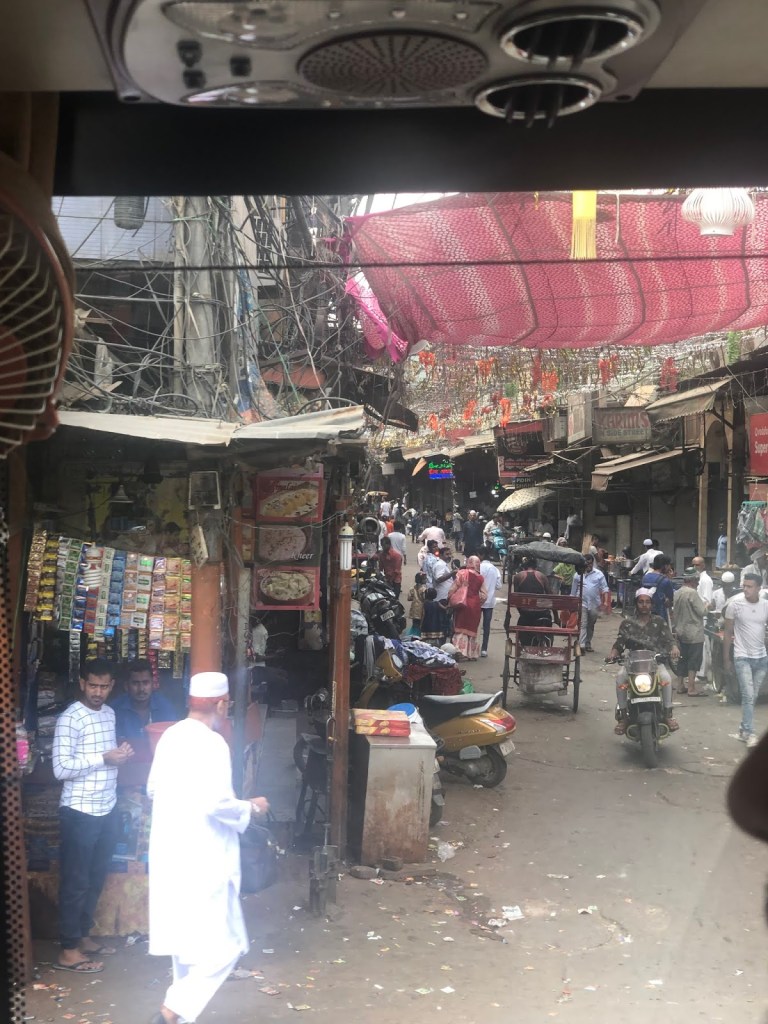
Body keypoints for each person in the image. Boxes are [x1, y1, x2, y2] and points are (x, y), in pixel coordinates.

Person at [147, 672, 270, 1024]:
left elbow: (153, 788)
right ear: (220, 704)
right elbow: (218, 804)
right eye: (226, 703)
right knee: (225, 947)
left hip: (170, 853)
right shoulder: (213, 744)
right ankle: (171, 1012)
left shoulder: (170, 736)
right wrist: (251, 807)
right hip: (203, 857)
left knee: (186, 949)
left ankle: (178, 1017)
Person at [52, 659, 135, 973]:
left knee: (95, 877)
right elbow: (61, 768)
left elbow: (107, 758)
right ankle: (68, 950)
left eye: (104, 686)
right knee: (75, 881)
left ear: (111, 686)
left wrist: (120, 756)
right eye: (93, 685)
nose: (98, 692)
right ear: (82, 684)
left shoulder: (110, 714)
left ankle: (83, 936)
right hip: (79, 811)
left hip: (106, 808)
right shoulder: (70, 718)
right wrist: (104, 757)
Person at [608, 588, 680, 734]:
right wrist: (613, 654)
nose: (644, 605)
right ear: (636, 604)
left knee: (666, 679)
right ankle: (623, 717)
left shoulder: (659, 621)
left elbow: (669, 639)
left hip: (655, 661)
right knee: (620, 678)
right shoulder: (627, 623)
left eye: (647, 602)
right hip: (632, 662)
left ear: (651, 604)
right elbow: (619, 643)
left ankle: (668, 715)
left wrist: (674, 648)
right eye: (641, 602)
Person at [724, 572, 768, 748]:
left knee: (753, 696)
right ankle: (750, 733)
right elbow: (728, 633)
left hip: (762, 658)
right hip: (742, 657)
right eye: (744, 586)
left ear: (758, 588)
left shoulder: (765, 605)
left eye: (750, 586)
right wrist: (726, 659)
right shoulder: (735, 605)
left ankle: (743, 729)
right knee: (748, 696)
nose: (745, 589)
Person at [112, 660, 178, 747]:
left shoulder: (165, 707)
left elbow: (173, 741)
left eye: (145, 683)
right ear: (126, 686)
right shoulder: (115, 709)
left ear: (153, 684)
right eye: (135, 683)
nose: (141, 689)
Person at [671, 567, 708, 696]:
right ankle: (691, 688)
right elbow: (702, 611)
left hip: (681, 631)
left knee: (682, 659)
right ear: (693, 580)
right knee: (694, 660)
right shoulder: (692, 593)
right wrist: (708, 606)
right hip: (694, 632)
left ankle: (680, 685)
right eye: (697, 581)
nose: (698, 583)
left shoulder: (678, 592)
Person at [448, 555, 487, 660]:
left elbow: (453, 588)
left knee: (461, 628)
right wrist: (478, 602)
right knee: (472, 628)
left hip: (462, 604)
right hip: (475, 606)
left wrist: (450, 599)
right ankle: (472, 654)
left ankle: (460, 651)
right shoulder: (480, 578)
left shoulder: (462, 573)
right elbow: (484, 595)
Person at [510, 556, 552, 646]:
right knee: (548, 619)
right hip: (542, 613)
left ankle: (523, 644)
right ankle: (546, 641)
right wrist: (556, 617)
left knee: (522, 623)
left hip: (526, 613)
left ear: (524, 568)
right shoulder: (542, 576)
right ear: (536, 568)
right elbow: (551, 597)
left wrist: (522, 612)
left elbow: (517, 598)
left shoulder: (518, 576)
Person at [571, 553, 609, 653]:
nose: (588, 565)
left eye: (590, 563)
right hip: (582, 603)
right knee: (583, 623)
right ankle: (582, 645)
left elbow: (605, 589)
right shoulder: (577, 575)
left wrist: (605, 602)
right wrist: (571, 604)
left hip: (594, 604)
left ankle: (587, 643)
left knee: (591, 624)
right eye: (586, 563)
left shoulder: (599, 574)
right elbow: (573, 592)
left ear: (593, 563)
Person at [479, 545, 502, 658]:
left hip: (478, 600)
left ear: (481, 555)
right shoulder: (495, 569)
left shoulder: (479, 567)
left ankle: (472, 647)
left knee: (474, 624)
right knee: (486, 626)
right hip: (490, 601)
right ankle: (484, 649)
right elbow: (498, 586)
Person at [641, 554, 675, 622]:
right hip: (660, 614)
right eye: (669, 565)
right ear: (665, 566)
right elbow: (671, 599)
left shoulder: (645, 577)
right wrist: (670, 579)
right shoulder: (665, 580)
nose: (670, 568)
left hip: (645, 612)